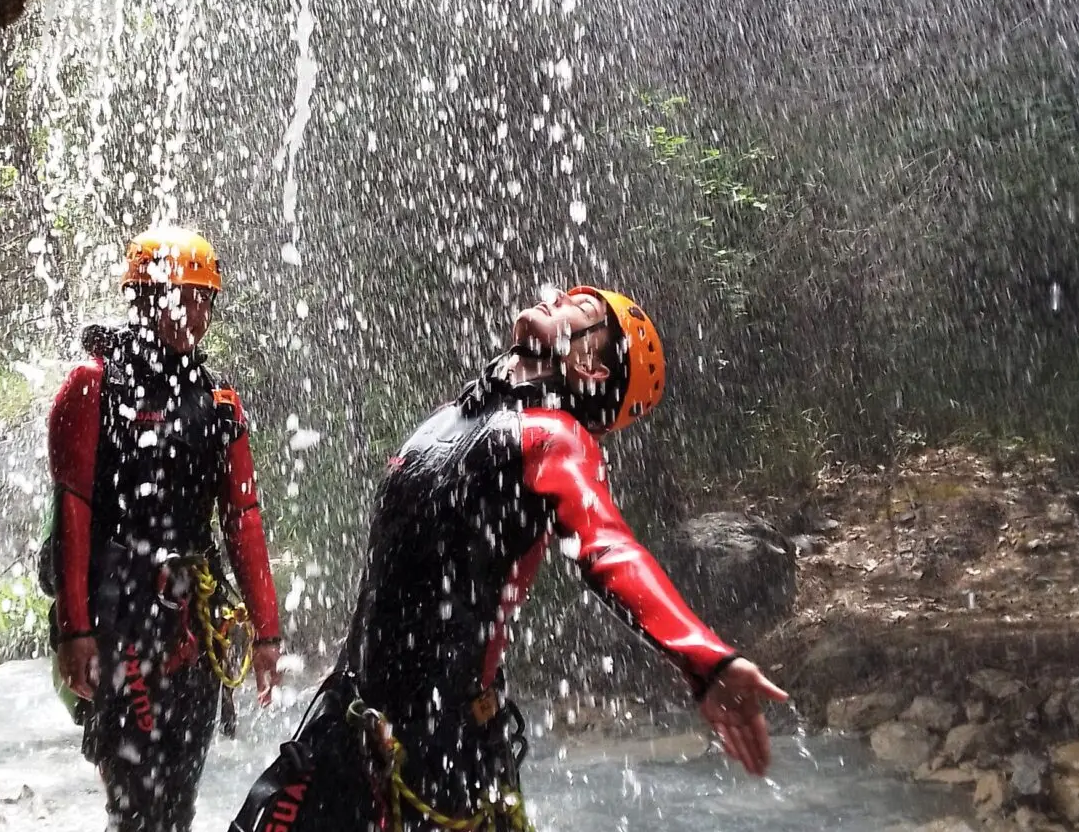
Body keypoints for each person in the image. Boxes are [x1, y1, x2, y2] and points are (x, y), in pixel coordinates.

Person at [231, 286, 789, 832]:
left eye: (581, 308)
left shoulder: (555, 436)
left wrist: (707, 661)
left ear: (592, 368)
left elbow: (608, 548)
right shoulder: (452, 417)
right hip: (350, 724)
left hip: (442, 754)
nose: (557, 297)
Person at [41, 227, 284, 832]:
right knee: (135, 807)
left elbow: (243, 519)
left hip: (192, 626)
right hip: (118, 624)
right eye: (179, 297)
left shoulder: (219, 403)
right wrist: (75, 631)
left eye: (203, 300)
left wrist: (267, 631)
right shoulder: (93, 386)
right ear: (144, 299)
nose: (191, 313)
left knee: (178, 802)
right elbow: (73, 512)